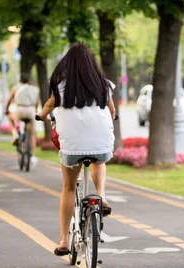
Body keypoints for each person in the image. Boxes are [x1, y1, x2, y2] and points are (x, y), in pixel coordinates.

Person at [37, 43, 116, 256]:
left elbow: (48, 106)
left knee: (68, 188)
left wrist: (42, 116)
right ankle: (101, 195)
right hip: (100, 144)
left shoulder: (61, 86)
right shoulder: (103, 84)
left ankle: (63, 240)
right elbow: (112, 110)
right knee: (100, 159)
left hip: (72, 148)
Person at [5, 73, 40, 166]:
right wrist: (35, 110)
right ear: (29, 80)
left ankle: (15, 132)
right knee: (32, 133)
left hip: (19, 110)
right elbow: (37, 102)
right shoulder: (34, 89)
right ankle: (32, 155)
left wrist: (6, 110)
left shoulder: (15, 88)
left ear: (20, 80)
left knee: (10, 117)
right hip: (31, 110)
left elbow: (9, 100)